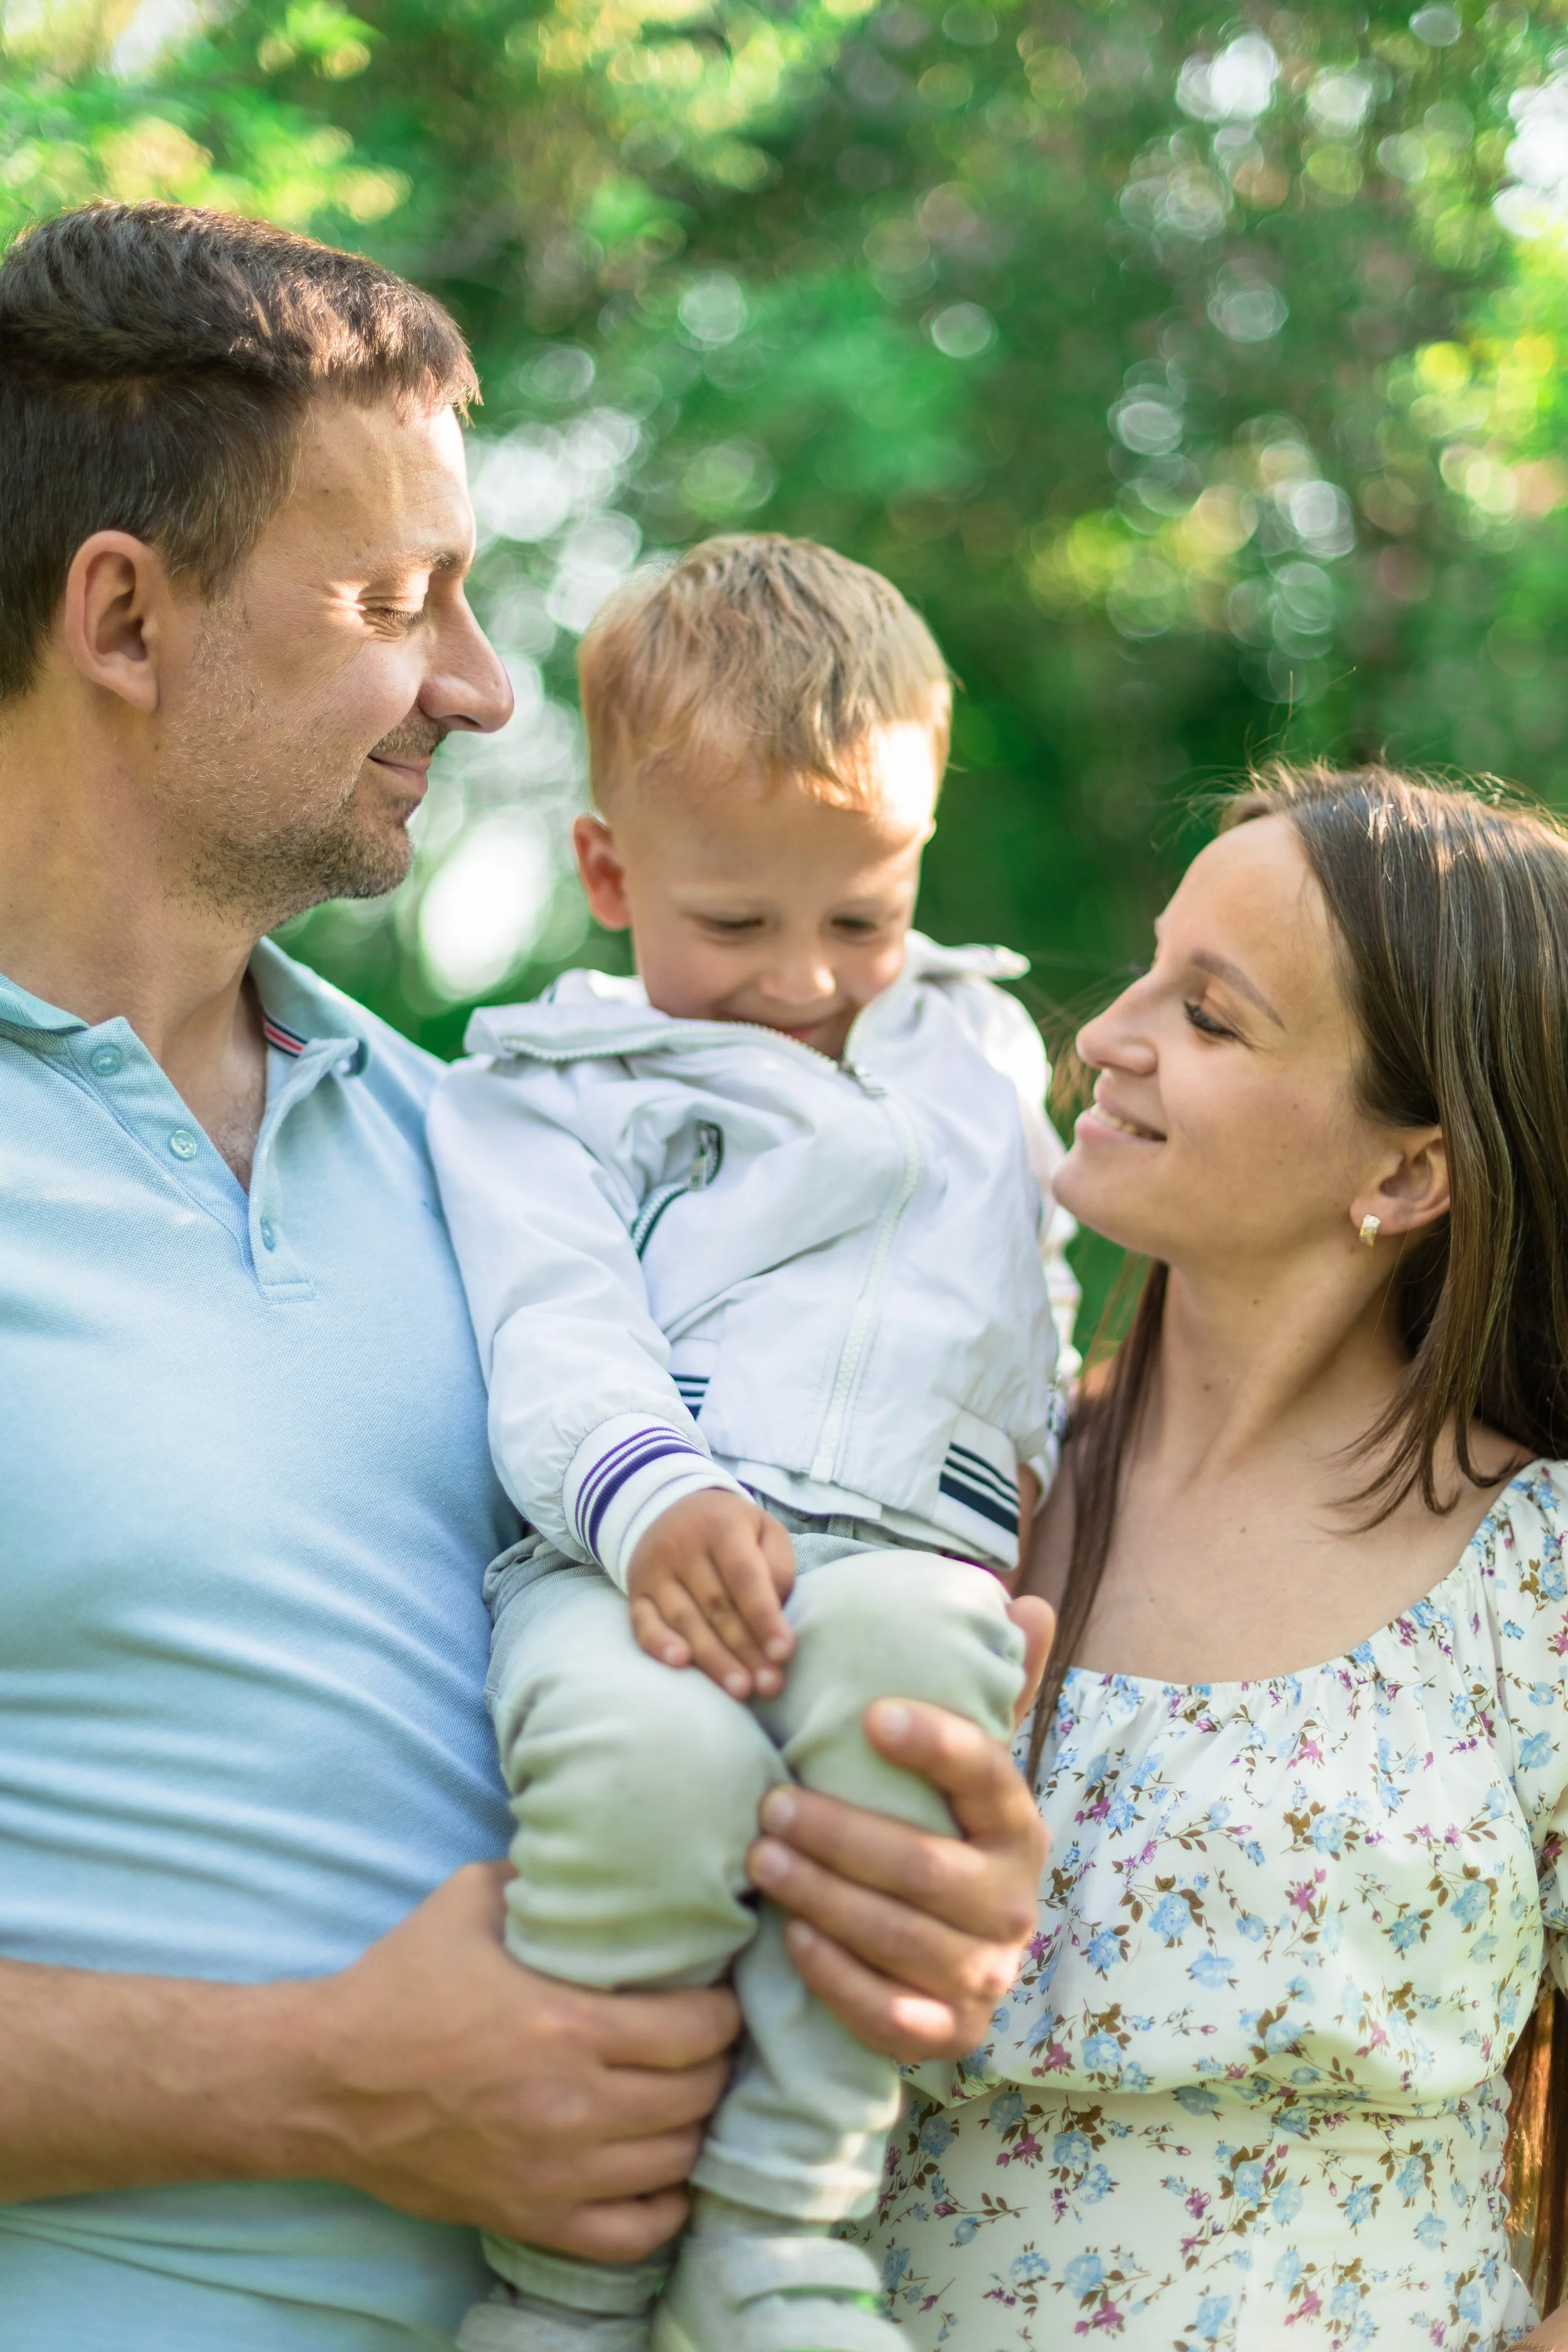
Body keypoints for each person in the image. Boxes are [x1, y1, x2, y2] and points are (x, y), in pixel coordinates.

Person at [0, 199, 1053, 2352]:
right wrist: (316, 2084)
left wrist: (900, 1874)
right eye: (401, 604)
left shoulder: (491, 1148)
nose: (479, 692)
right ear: (123, 616)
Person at [428, 537, 1078, 2352]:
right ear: (610, 871)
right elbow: (549, 1320)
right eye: (734, 925)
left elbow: (1029, 1287)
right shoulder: (553, 1086)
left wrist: (1032, 1484)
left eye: (860, 917)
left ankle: (773, 2235)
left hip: (904, 1545)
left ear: (920, 859)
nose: (805, 980)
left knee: (911, 1707)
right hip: (628, 1550)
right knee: (642, 1775)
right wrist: (650, 1493)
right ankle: (569, 2272)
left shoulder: (977, 1045)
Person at [856, 764, 1568, 2349]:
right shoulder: (958, 1489)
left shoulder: (1539, 1582)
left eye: (1211, 1015)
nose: (1104, 1037)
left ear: (1402, 1174)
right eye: (1147, 969)